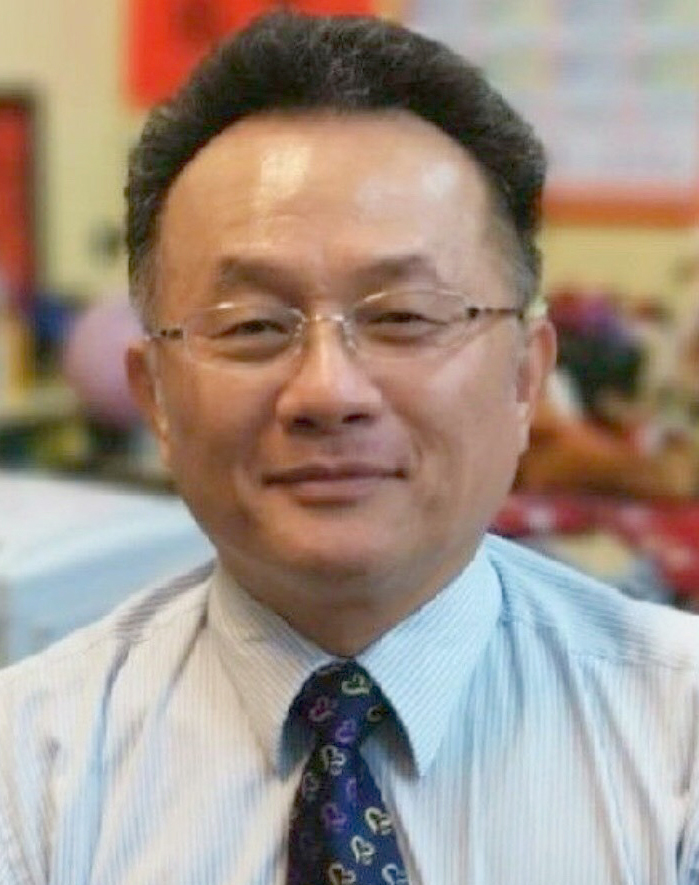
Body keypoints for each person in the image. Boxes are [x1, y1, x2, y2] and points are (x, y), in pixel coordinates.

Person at [1, 11, 699, 884]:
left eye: (403, 316)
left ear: (525, 378)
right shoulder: (29, 774)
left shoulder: (677, 736)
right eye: (252, 325)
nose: (328, 391)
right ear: (156, 400)